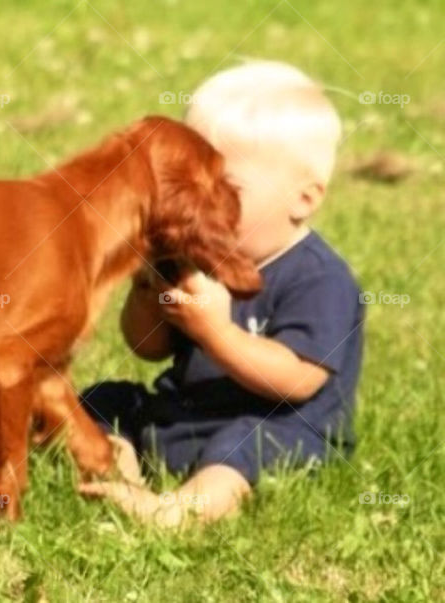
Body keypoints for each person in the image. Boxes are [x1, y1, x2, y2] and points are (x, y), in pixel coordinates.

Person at [78, 61, 365, 526]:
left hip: (276, 426)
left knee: (242, 443)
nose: (200, 205)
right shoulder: (195, 258)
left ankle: (178, 513)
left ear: (304, 199)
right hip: (185, 414)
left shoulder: (320, 279)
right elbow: (147, 348)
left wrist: (214, 332)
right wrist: (148, 288)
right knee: (100, 400)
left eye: (226, 189)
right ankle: (124, 474)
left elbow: (299, 380)